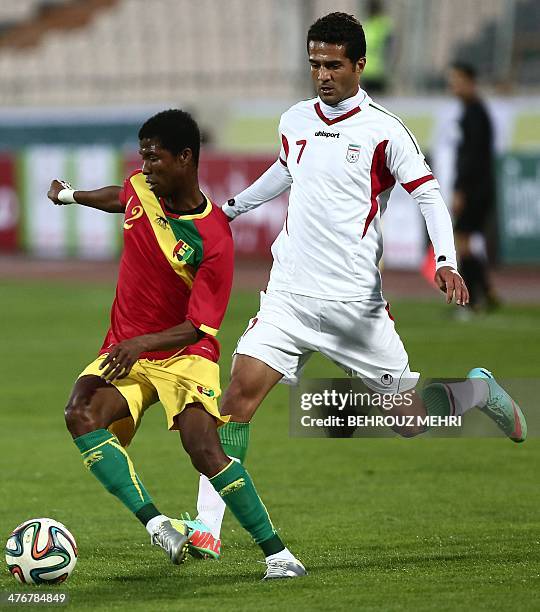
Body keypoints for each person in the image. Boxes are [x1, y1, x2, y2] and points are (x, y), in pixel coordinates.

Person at [182, 12, 527, 560]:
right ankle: (207, 527)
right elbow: (285, 168)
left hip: (354, 308)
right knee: (236, 400)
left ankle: (479, 391)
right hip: (289, 296)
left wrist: (445, 260)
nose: (322, 74)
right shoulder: (295, 119)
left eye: (334, 65)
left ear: (359, 66)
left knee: (410, 421)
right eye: (315, 63)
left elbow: (430, 195)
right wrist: (231, 208)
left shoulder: (384, 130)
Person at [47, 109, 305, 580]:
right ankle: (158, 525)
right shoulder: (142, 189)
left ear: (185, 158)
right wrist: (69, 196)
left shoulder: (214, 238)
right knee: (80, 413)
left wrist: (141, 342)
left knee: (203, 447)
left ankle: (279, 556)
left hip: (184, 355)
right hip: (129, 350)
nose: (146, 168)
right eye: (143, 158)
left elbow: (199, 327)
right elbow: (120, 198)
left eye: (155, 159)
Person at [448, 61, 499, 311]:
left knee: (463, 241)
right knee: (466, 240)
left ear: (469, 82)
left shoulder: (474, 113)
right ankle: (487, 292)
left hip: (475, 188)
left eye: (457, 80)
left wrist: (461, 190)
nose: (453, 86)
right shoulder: (476, 111)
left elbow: (472, 157)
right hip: (481, 186)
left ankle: (471, 300)